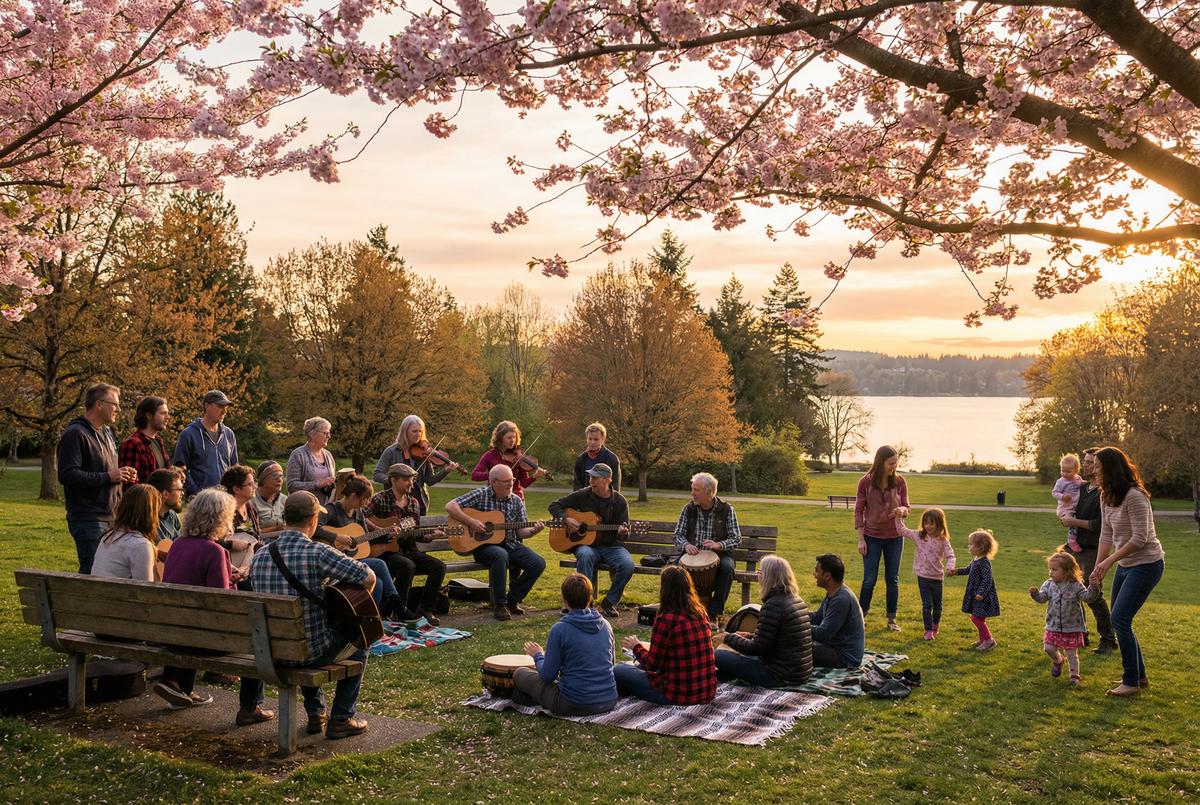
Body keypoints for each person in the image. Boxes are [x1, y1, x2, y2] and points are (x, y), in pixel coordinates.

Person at [248, 491, 375, 738]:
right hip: (308, 653)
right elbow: (368, 576)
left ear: (285, 518)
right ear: (313, 519)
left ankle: (317, 712)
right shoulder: (318, 552)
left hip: (271, 651)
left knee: (304, 633)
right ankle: (342, 717)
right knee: (361, 641)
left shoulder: (260, 554)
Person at [156, 489, 274, 727]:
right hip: (207, 639)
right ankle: (251, 706)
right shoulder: (215, 550)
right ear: (221, 518)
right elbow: (223, 604)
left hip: (174, 632)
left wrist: (227, 575)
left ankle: (181, 686)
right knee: (257, 642)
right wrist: (236, 580)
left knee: (193, 616)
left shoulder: (178, 544)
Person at [1088, 446, 1166, 697]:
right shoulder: (1105, 495)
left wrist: (1109, 561)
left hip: (1147, 564)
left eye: (1098, 467)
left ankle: (1130, 681)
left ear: (1111, 469)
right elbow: (1106, 534)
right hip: (1125, 564)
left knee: (1119, 619)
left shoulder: (1135, 495)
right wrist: (1097, 567)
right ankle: (1139, 676)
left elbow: (1140, 538)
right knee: (1120, 619)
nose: (1093, 470)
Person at [446, 464, 546, 621]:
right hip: (484, 547)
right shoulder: (481, 494)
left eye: (511, 480)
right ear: (493, 482)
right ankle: (499, 604)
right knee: (500, 554)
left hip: (511, 544)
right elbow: (450, 506)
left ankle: (512, 599)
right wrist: (472, 522)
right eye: (505, 481)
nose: (510, 484)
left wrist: (534, 530)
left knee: (538, 563)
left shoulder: (516, 501)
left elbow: (521, 532)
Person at [512, 573, 617, 715]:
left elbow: (548, 676)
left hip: (574, 704)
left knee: (520, 673)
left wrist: (537, 655)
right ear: (590, 597)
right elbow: (611, 664)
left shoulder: (560, 629)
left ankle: (528, 697)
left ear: (564, 600)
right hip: (609, 700)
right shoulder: (606, 625)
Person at [57, 383, 134, 573]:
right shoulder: (76, 434)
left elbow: (105, 469)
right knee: (93, 573)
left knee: (109, 572)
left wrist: (121, 474)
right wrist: (108, 476)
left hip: (112, 516)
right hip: (88, 518)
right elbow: (67, 475)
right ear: (99, 404)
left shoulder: (106, 432)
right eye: (114, 404)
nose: (118, 409)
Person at [614, 566, 717, 705]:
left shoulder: (666, 619)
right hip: (706, 691)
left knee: (618, 670)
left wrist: (636, 646)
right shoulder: (700, 613)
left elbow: (653, 665)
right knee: (633, 668)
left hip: (675, 694)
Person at [317, 473, 411, 620]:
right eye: (365, 499)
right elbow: (314, 528)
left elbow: (366, 539)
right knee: (379, 564)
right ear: (354, 496)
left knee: (378, 583)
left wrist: (387, 533)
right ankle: (398, 606)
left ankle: (372, 619)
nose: (366, 503)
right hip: (335, 562)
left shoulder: (358, 513)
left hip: (352, 560)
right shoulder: (331, 510)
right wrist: (337, 537)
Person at [362, 463, 448, 625]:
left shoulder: (414, 502)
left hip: (408, 549)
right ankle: (399, 611)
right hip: (384, 551)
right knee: (406, 566)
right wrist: (380, 528)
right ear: (394, 480)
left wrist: (431, 535)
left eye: (412, 479)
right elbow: (361, 514)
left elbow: (414, 532)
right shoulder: (380, 499)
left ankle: (425, 608)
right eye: (407, 479)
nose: (411, 483)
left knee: (438, 566)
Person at [713, 555, 813, 687]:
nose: (758, 575)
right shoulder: (796, 599)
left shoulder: (773, 605)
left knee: (719, 655)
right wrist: (749, 636)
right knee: (732, 658)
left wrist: (728, 638)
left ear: (770, 577)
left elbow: (757, 648)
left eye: (760, 572)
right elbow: (778, 639)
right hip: (799, 672)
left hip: (779, 676)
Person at [547, 463, 632, 618]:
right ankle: (584, 603)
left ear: (608, 480)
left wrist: (622, 532)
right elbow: (554, 506)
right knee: (584, 555)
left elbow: (624, 534)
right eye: (590, 477)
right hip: (588, 546)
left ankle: (609, 602)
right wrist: (567, 519)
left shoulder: (619, 501)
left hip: (612, 547)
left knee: (627, 565)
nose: (591, 480)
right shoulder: (583, 494)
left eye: (595, 478)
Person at [1058, 448, 1117, 654]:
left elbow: (1100, 525)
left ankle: (1108, 640)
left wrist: (1074, 521)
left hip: (1094, 549)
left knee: (1093, 594)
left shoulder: (1105, 491)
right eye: (1085, 462)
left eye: (1091, 462)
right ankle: (1080, 635)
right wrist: (1065, 515)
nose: (1086, 465)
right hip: (1075, 546)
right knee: (1070, 591)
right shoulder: (1081, 487)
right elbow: (1066, 502)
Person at [854, 445, 910, 631]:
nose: (894, 466)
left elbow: (907, 508)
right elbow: (858, 512)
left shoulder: (900, 482)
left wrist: (902, 510)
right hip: (872, 537)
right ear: (880, 462)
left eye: (896, 463)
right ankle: (861, 617)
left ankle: (891, 619)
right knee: (869, 579)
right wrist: (861, 539)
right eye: (890, 463)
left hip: (895, 537)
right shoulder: (865, 482)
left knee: (892, 579)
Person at [672, 472, 740, 623]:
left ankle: (714, 613)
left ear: (709, 492)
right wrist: (686, 545)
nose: (692, 493)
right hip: (691, 555)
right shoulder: (688, 509)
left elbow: (736, 538)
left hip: (719, 556)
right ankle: (680, 611)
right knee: (674, 571)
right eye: (693, 489)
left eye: (696, 490)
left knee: (728, 568)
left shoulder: (726, 510)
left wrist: (719, 545)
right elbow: (677, 535)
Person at [1030, 552, 1102, 687]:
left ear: (1068, 571)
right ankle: (1058, 660)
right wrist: (1035, 595)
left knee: (1071, 654)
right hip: (1053, 625)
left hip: (1072, 627)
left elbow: (1088, 598)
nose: (1051, 572)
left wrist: (1094, 587)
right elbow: (1042, 599)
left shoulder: (1076, 585)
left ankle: (1074, 675)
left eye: (1055, 569)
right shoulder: (1048, 584)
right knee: (1048, 648)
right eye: (1050, 569)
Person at [371, 415, 462, 515]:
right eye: (414, 431)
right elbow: (377, 474)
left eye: (420, 431)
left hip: (418, 504)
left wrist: (446, 470)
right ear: (405, 432)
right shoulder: (391, 451)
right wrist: (395, 481)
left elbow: (430, 480)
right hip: (394, 503)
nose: (418, 434)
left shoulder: (424, 452)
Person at [894, 508, 957, 640]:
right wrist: (898, 516)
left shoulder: (943, 540)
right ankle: (928, 631)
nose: (928, 526)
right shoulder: (919, 536)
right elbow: (902, 530)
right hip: (922, 577)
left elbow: (951, 556)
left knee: (938, 607)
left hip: (937, 577)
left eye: (931, 523)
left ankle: (935, 625)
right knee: (927, 605)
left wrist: (950, 567)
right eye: (926, 523)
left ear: (939, 524)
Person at [171, 390, 238, 497]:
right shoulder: (188, 434)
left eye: (226, 407)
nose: (224, 411)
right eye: (220, 406)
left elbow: (234, 467)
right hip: (200, 501)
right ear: (207, 406)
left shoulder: (229, 434)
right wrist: (197, 493)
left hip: (226, 499)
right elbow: (180, 468)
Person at [90, 484, 160, 582]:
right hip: (119, 596)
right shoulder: (140, 545)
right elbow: (146, 591)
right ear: (151, 513)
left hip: (97, 595)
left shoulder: (108, 535)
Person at [808, 554, 865, 669]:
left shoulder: (841, 599)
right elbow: (817, 617)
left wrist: (796, 626)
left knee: (793, 645)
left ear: (828, 575)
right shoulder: (834, 592)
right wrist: (795, 614)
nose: (814, 575)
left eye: (817, 571)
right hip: (835, 648)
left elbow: (823, 634)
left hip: (844, 657)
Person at [470, 420, 548, 500]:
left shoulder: (519, 455)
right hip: (495, 498)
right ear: (500, 438)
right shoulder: (490, 455)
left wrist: (535, 476)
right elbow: (474, 475)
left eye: (514, 437)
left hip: (516, 498)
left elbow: (524, 483)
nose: (512, 440)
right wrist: (495, 475)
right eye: (509, 438)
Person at [953, 529, 1001, 651]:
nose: (969, 546)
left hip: (982, 596)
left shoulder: (984, 562)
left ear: (980, 547)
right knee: (979, 617)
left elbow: (987, 579)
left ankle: (989, 640)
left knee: (976, 618)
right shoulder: (976, 559)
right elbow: (968, 569)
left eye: (971, 544)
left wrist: (981, 593)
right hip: (975, 593)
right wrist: (956, 572)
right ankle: (983, 639)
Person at [118, 396, 171, 492]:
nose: (167, 417)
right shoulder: (133, 443)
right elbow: (130, 487)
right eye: (163, 413)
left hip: (159, 503)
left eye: (167, 413)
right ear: (149, 415)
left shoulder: (159, 441)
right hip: (143, 504)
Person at [220, 464, 261, 584]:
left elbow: (257, 538)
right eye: (250, 484)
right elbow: (208, 541)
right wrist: (230, 544)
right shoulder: (223, 511)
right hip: (227, 567)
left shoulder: (251, 509)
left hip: (249, 566)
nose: (255, 486)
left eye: (254, 483)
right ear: (236, 489)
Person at [286, 417, 337, 505]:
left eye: (329, 433)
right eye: (325, 433)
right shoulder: (298, 455)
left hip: (326, 510)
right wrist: (317, 484)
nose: (329, 436)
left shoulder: (328, 455)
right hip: (304, 510)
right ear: (312, 434)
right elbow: (292, 486)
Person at [571, 422, 622, 492]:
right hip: (584, 499)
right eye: (590, 439)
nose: (592, 442)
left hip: (605, 500)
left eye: (596, 439)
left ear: (603, 440)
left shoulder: (612, 459)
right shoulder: (581, 459)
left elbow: (615, 487)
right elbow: (577, 486)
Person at [1052, 453, 1085, 553]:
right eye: (1063, 471)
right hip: (1065, 509)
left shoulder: (1078, 479)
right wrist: (1062, 496)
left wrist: (1085, 483)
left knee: (1079, 520)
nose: (1065, 473)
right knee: (1073, 522)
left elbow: (1082, 484)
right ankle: (1071, 541)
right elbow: (1054, 492)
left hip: (1075, 507)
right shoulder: (1061, 482)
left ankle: (1077, 539)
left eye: (1068, 471)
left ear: (1076, 470)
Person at [145, 467, 185, 544]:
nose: (182, 494)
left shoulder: (172, 515)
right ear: (165, 494)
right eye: (179, 490)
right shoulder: (148, 521)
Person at [251, 461, 287, 536]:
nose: (279, 479)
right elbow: (245, 530)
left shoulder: (284, 499)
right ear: (263, 480)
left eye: (281, 476)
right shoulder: (250, 501)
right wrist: (275, 528)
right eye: (275, 476)